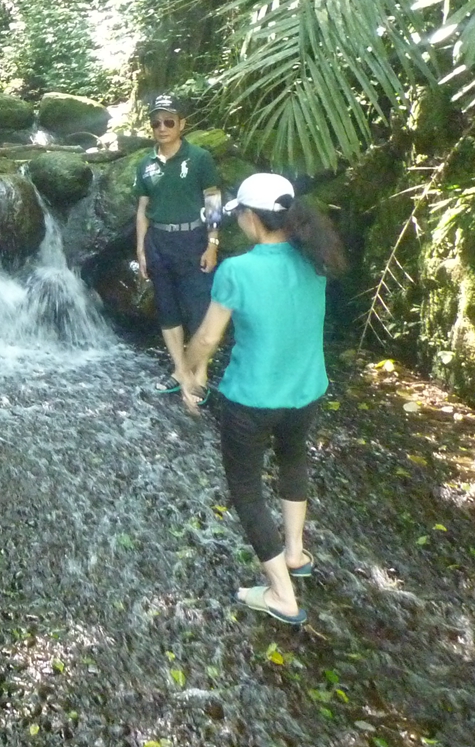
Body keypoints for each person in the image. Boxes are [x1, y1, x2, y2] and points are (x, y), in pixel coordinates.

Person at [180, 172, 347, 626]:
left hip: (251, 399)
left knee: (247, 489)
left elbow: (207, 338)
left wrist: (188, 371)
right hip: (306, 390)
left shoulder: (238, 270)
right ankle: (295, 553)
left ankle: (281, 594)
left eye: (241, 216)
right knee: (293, 459)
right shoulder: (315, 259)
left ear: (252, 218)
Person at [133, 94, 222, 396]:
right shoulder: (145, 164)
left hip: (192, 240)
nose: (162, 128)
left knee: (199, 307)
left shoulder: (199, 158)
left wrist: (213, 243)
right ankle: (180, 370)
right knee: (167, 307)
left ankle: (201, 374)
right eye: (156, 123)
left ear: (182, 124)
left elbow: (213, 201)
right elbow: (143, 208)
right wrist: (141, 249)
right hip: (158, 241)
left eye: (169, 122)